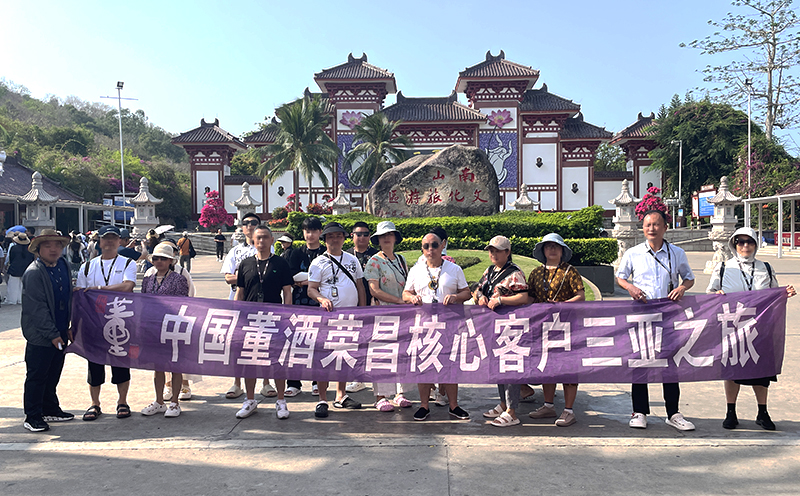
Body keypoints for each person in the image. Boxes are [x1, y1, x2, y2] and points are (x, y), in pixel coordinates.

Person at [707, 227, 797, 430]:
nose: (745, 246)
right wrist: (716, 295)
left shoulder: (765, 268)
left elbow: (774, 293)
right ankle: (731, 412)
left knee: (761, 371)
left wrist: (785, 293)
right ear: (734, 244)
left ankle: (762, 412)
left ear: (756, 244)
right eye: (740, 242)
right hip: (733, 327)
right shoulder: (724, 267)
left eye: (749, 242)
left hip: (760, 328)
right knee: (732, 370)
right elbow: (710, 293)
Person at [616, 210, 696, 431]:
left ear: (665, 228)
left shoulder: (677, 253)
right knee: (640, 361)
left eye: (656, 224)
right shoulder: (633, 253)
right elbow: (620, 277)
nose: (651, 228)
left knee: (670, 363)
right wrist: (630, 287)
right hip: (641, 314)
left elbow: (689, 278)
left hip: (669, 315)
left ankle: (673, 413)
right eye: (648, 225)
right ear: (643, 228)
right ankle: (639, 411)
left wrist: (682, 288)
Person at [403, 231, 471, 421]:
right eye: (426, 246)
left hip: (449, 325)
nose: (430, 249)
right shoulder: (416, 270)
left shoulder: (454, 269)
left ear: (443, 245)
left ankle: (453, 405)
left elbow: (467, 292)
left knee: (450, 365)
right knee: (424, 365)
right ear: (422, 249)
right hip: (423, 325)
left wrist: (456, 297)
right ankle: (424, 405)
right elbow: (405, 294)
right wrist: (412, 298)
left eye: (434, 245)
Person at [75, 225, 137, 421]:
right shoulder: (87, 266)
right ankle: (95, 403)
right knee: (94, 363)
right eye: (105, 238)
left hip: (120, 320)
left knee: (120, 362)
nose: (109, 241)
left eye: (113, 238)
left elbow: (128, 286)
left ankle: (122, 401)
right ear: (99, 242)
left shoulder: (128, 263)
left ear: (120, 241)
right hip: (93, 321)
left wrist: (100, 289)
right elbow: (80, 295)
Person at [234, 225, 295, 420]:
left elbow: (287, 291)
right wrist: (236, 316)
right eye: (258, 238)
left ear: (272, 240)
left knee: (277, 361)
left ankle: (281, 400)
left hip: (275, 319)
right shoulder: (245, 264)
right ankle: (250, 400)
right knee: (250, 361)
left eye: (265, 237)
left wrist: (287, 315)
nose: (261, 241)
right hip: (250, 320)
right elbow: (240, 292)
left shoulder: (281, 263)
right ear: (253, 240)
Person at [526, 233, 585, 427]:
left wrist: (562, 305)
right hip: (543, 327)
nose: (552, 249)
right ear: (543, 250)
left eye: (556, 246)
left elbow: (580, 296)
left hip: (567, 326)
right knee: (547, 366)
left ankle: (569, 410)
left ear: (562, 250)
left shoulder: (570, 271)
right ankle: (548, 405)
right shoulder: (536, 273)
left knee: (568, 369)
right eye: (548, 246)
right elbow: (531, 296)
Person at [307, 222, 365, 418]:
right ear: (324, 239)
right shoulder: (318, 262)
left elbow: (360, 286)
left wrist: (362, 311)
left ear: (344, 238)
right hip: (328, 317)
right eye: (331, 236)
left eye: (338, 235)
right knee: (325, 358)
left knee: (344, 356)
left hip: (350, 316)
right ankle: (322, 398)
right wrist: (322, 299)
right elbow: (311, 289)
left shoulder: (352, 260)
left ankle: (341, 395)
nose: (335, 239)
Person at [472, 236, 529, 427]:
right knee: (498, 365)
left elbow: (523, 296)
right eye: (491, 250)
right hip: (493, 326)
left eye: (497, 250)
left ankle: (512, 411)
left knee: (510, 366)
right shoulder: (490, 271)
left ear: (507, 252)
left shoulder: (515, 273)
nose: (493, 254)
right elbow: (477, 288)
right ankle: (504, 403)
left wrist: (501, 300)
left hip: (511, 326)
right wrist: (480, 296)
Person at [21, 229, 74, 432]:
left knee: (53, 372)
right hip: (41, 334)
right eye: (47, 245)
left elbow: (67, 295)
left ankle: (50, 408)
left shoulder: (63, 265)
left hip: (60, 329)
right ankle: (32, 416)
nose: (53, 249)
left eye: (57, 245)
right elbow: (37, 308)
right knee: (37, 375)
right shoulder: (34, 273)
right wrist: (52, 334)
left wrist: (67, 327)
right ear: (38, 249)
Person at [220, 213, 273, 399]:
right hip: (240, 301)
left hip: (265, 303)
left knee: (265, 343)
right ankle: (237, 383)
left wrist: (247, 276)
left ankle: (266, 382)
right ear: (241, 228)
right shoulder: (235, 252)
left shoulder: (269, 247)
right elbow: (228, 278)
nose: (249, 226)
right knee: (239, 345)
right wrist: (249, 277)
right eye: (246, 223)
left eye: (253, 223)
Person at [364, 221, 414, 411]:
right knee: (382, 354)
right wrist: (399, 301)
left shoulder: (401, 259)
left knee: (401, 352)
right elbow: (374, 290)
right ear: (377, 239)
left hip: (403, 313)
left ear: (395, 237)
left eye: (390, 234)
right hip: (383, 312)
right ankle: (381, 396)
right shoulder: (374, 261)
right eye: (383, 235)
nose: (386, 238)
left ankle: (400, 392)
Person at [139, 242, 190, 418]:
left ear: (171, 261)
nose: (159, 261)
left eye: (163, 258)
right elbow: (143, 302)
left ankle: (174, 402)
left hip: (172, 326)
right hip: (153, 326)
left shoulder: (179, 279)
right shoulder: (148, 279)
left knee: (175, 364)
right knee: (158, 366)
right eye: (156, 258)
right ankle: (159, 401)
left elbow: (183, 303)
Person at [284, 216, 325, 397]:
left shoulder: (325, 253)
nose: (310, 235)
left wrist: (306, 281)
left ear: (320, 232)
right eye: (307, 231)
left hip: (320, 302)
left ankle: (317, 381)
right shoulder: (295, 253)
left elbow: (327, 277)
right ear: (303, 233)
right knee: (296, 342)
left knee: (318, 342)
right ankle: (294, 383)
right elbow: (291, 276)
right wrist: (313, 281)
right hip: (299, 302)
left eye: (314, 231)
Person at [344, 221, 378, 394]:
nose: (362, 237)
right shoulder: (346, 255)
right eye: (359, 234)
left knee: (371, 342)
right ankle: (357, 378)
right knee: (352, 343)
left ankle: (374, 378)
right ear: (352, 236)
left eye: (366, 234)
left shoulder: (376, 255)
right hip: (349, 305)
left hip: (372, 305)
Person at [7, 233, 35, 304]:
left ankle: (12, 300)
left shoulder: (14, 248)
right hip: (26, 268)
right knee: (23, 286)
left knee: (13, 285)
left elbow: (11, 258)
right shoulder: (29, 249)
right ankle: (21, 300)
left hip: (15, 268)